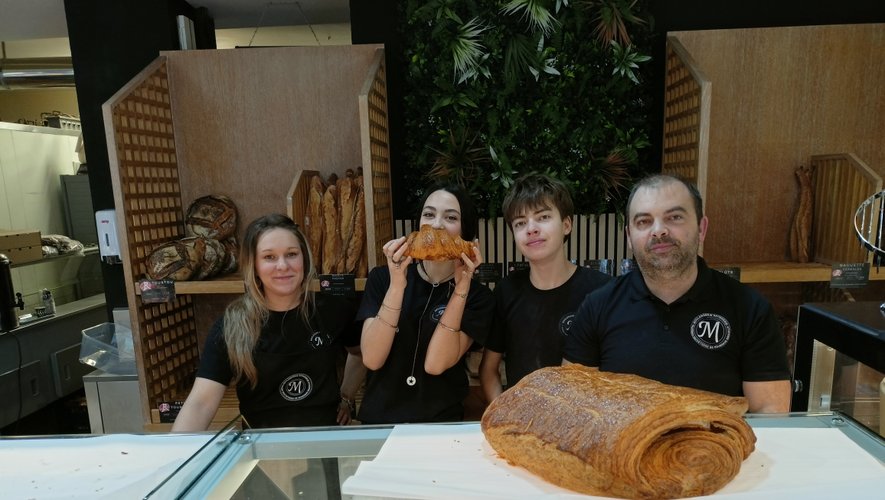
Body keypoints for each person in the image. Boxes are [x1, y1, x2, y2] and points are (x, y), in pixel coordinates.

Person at [563, 174, 792, 413]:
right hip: (623, 438)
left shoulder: (750, 309)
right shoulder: (597, 307)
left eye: (674, 217)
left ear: (701, 228)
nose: (659, 231)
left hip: (714, 437)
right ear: (629, 237)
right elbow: (573, 404)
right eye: (643, 221)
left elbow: (770, 411)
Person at [172, 213, 364, 431]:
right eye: (269, 257)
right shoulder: (232, 326)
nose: (283, 266)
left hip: (326, 440)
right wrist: (178, 449)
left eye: (291, 254)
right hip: (261, 444)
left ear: (304, 258)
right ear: (253, 265)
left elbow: (360, 352)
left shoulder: (333, 310)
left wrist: (346, 396)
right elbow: (200, 404)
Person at [357, 184, 495, 423]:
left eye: (451, 217)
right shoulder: (382, 278)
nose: (437, 225)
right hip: (380, 421)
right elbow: (372, 358)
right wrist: (397, 285)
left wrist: (461, 288)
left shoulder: (478, 297)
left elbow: (435, 364)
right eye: (429, 214)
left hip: (440, 423)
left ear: (466, 232)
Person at [479, 173, 611, 402]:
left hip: (582, 418)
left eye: (543, 217)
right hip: (521, 419)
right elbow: (489, 370)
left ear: (567, 225)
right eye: (520, 223)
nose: (531, 229)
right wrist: (503, 415)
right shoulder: (507, 290)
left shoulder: (602, 290)